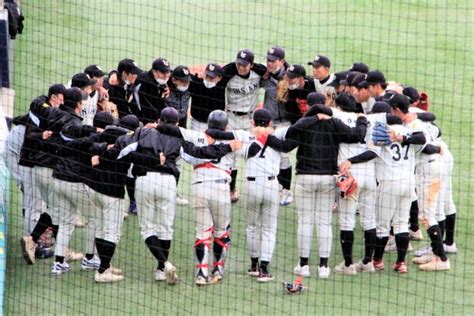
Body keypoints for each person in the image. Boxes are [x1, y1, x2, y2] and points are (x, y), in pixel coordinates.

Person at [121, 107, 241, 285]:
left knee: (149, 228)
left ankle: (172, 266)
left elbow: (124, 151)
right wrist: (228, 146)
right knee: (170, 228)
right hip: (174, 184)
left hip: (148, 182)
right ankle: (214, 270)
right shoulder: (236, 138)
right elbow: (198, 154)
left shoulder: (151, 132)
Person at [268, 104, 369, 279]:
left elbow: (285, 145)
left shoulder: (304, 124)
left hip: (305, 178)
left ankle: (304, 265)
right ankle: (324, 267)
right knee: (325, 222)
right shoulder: (334, 123)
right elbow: (357, 135)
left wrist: (265, 137)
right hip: (328, 178)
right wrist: (361, 120)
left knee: (305, 221)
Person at [260, 47, 294, 206]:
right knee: (269, 154)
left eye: (273, 61)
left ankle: (286, 190)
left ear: (281, 61)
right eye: (268, 60)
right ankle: (276, 187)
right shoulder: (264, 74)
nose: (269, 63)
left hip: (285, 122)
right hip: (270, 122)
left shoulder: (290, 76)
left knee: (284, 157)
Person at [188, 63, 226, 132]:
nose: (208, 80)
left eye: (211, 78)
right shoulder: (197, 82)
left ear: (219, 78)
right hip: (196, 125)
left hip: (215, 127)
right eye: (207, 76)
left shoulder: (222, 86)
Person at [136, 57, 171, 124]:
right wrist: (113, 72)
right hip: (141, 121)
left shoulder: (163, 82)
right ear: (154, 72)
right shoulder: (143, 80)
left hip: (157, 121)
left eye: (167, 72)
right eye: (163, 72)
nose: (166, 76)